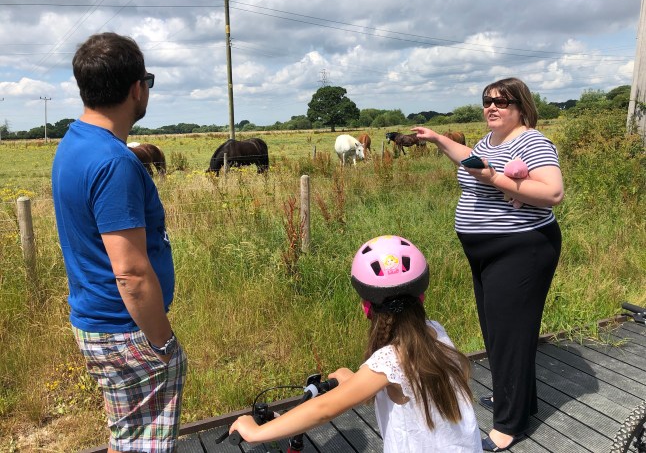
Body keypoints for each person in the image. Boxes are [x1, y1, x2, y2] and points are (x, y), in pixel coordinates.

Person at [51, 32, 187, 453]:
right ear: (136, 89)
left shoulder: (74, 144)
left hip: (98, 321)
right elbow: (130, 273)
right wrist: (164, 343)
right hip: (125, 329)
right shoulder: (114, 162)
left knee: (127, 436)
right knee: (145, 444)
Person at [414, 77, 564, 451]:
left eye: (501, 102)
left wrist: (494, 177)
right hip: (486, 253)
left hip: (521, 250)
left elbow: (552, 192)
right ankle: (514, 399)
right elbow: (470, 157)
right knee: (497, 331)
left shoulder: (532, 142)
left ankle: (509, 424)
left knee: (511, 335)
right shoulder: (489, 141)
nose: (492, 107)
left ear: (521, 107)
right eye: (487, 101)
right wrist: (437, 139)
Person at [230, 235, 483, 452]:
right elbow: (405, 387)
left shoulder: (392, 359)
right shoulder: (435, 333)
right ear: (422, 297)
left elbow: (324, 409)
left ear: (365, 308)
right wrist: (353, 380)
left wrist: (255, 432)